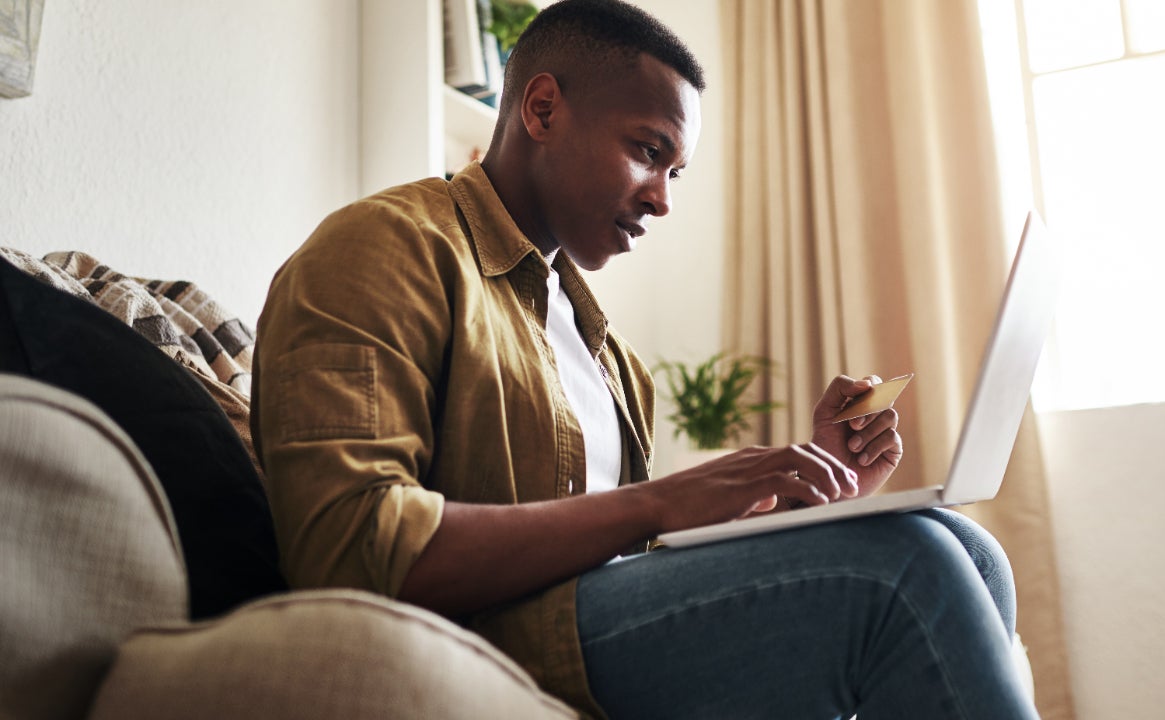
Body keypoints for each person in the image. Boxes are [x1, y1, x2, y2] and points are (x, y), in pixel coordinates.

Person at [250, 0, 1039, 717]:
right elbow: (350, 548)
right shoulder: (387, 248)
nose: (662, 197)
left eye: (675, 171)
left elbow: (634, 562)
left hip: (593, 626)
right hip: (484, 638)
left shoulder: (612, 359)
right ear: (542, 109)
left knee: (967, 548)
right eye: (647, 151)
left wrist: (812, 504)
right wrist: (657, 502)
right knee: (909, 565)